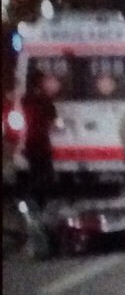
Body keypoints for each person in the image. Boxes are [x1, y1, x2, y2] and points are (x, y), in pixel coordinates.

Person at [21, 70, 58, 209]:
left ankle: (34, 199)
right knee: (45, 172)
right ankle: (42, 201)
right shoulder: (45, 100)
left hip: (30, 141)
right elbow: (53, 121)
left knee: (34, 171)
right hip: (42, 141)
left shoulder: (25, 100)